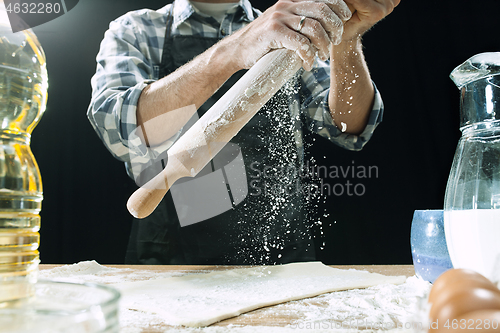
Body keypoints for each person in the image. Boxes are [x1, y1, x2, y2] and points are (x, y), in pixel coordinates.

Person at [87, 0, 400, 265]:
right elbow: (123, 131)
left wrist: (345, 40)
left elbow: (349, 127)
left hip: (281, 256)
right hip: (173, 262)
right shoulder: (137, 29)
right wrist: (235, 50)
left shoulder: (293, 29)